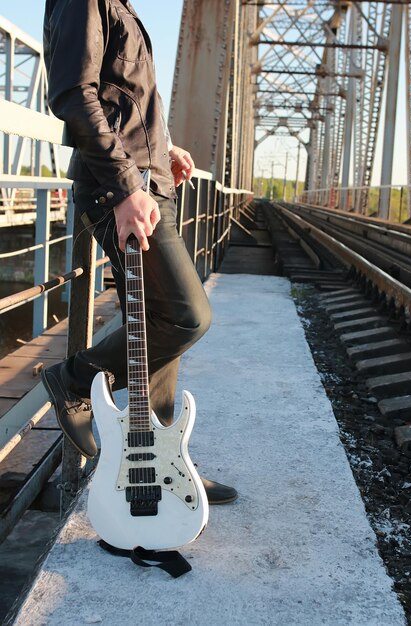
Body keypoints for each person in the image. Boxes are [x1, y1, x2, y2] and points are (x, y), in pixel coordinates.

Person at [41, 0, 237, 505]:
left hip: (146, 185)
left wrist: (161, 147)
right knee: (186, 316)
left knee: (155, 332)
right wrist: (128, 184)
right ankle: (73, 378)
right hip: (119, 192)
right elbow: (72, 93)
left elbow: (121, 99)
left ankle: (160, 469)